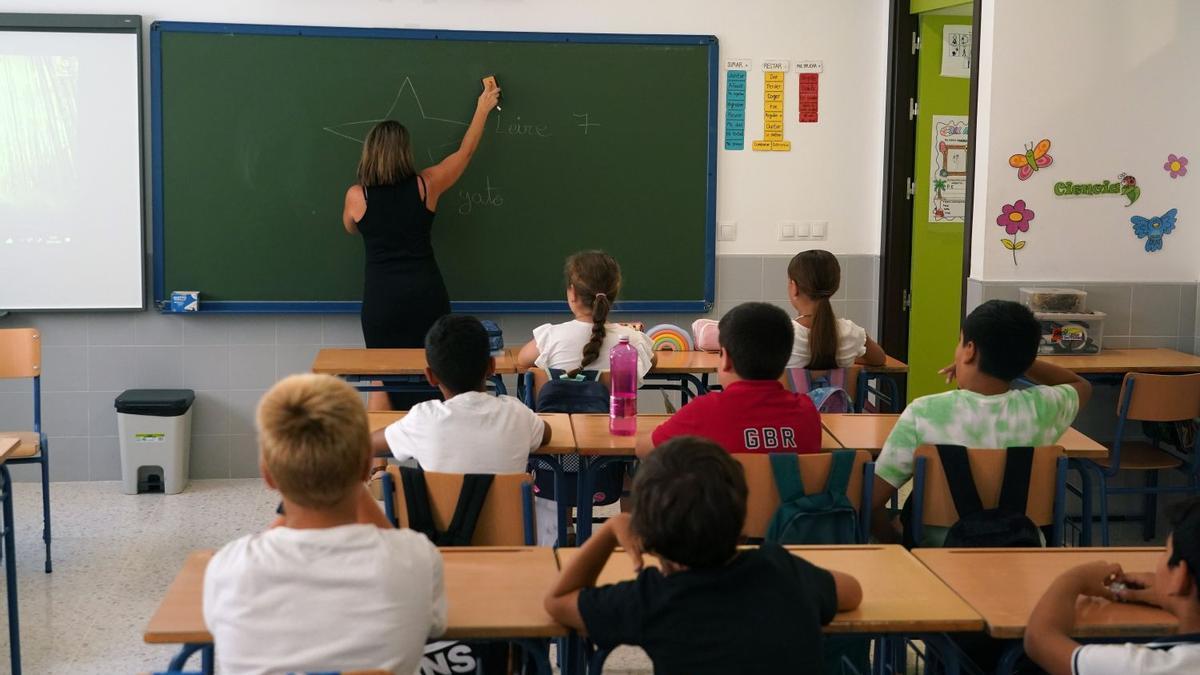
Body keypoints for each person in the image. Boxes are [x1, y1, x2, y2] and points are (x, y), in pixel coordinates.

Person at [544, 436, 862, 674]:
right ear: (742, 523)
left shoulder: (652, 599)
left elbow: (558, 600)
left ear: (651, 542)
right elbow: (852, 592)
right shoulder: (779, 569)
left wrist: (612, 528)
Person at [205, 374, 445, 674]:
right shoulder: (416, 558)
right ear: (364, 468)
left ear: (267, 474)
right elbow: (434, 626)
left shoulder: (229, 567)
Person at [869, 300, 1092, 545]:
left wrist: (897, 543)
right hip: (1021, 548)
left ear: (970, 350)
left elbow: (872, 500)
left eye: (960, 342)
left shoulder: (923, 412)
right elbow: (1081, 386)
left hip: (937, 553)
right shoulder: (1042, 409)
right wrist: (1017, 358)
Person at [342, 81, 501, 411]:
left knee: (380, 379)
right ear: (405, 152)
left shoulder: (358, 196)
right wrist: (482, 108)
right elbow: (465, 153)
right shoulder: (425, 185)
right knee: (441, 370)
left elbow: (350, 228)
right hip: (425, 296)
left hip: (381, 302)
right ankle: (438, 454)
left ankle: (377, 464)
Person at [1025, 497, 1200, 675]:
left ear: (1180, 575)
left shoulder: (1144, 667)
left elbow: (1038, 638)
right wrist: (1171, 594)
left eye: (1164, 552)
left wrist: (1076, 577)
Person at [638, 302, 822, 457]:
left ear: (725, 359)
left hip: (721, 501)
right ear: (785, 358)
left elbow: (644, 449)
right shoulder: (807, 412)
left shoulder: (703, 411)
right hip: (783, 501)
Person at [371, 314, 550, 472]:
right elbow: (546, 433)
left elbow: (367, 445)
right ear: (492, 367)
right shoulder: (517, 414)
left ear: (431, 377)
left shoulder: (421, 420)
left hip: (443, 512)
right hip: (508, 511)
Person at [516, 250, 654, 382]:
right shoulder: (632, 341)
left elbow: (522, 359)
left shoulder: (550, 337)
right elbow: (653, 360)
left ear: (573, 294)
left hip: (558, 407)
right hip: (614, 407)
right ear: (614, 293)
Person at [786, 249, 885, 369]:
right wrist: (849, 355)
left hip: (793, 389)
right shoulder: (851, 332)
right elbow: (879, 359)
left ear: (794, 287)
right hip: (840, 388)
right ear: (835, 287)